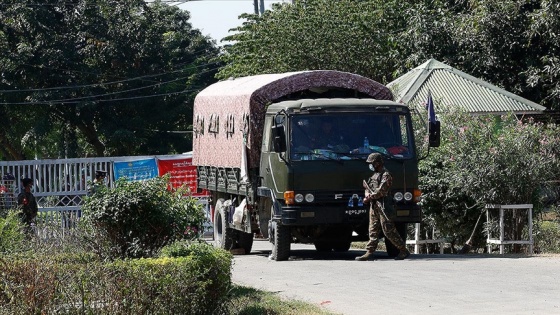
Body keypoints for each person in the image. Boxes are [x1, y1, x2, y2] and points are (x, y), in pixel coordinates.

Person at [356, 153, 410, 261]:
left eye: (372, 163)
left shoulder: (386, 175)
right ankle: (370, 252)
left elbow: (381, 191)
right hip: (374, 205)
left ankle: (403, 250)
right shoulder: (374, 175)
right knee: (373, 230)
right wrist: (367, 195)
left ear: (377, 163)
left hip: (384, 205)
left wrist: (370, 197)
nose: (370, 165)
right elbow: (368, 187)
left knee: (388, 230)